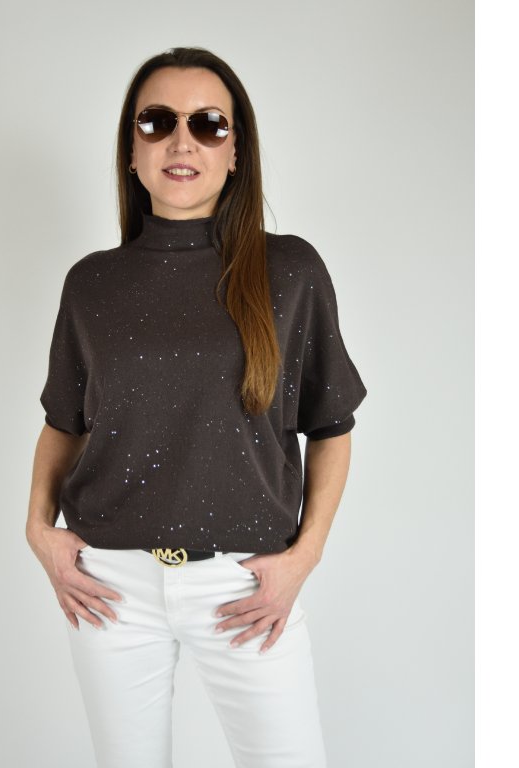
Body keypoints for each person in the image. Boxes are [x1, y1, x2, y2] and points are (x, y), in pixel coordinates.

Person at [27, 46, 367, 768]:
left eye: (209, 124)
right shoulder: (92, 283)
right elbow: (64, 423)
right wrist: (38, 529)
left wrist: (304, 556)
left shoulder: (289, 271)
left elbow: (332, 425)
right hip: (111, 588)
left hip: (245, 586)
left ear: (236, 151)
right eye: (157, 122)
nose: (182, 142)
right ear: (131, 150)